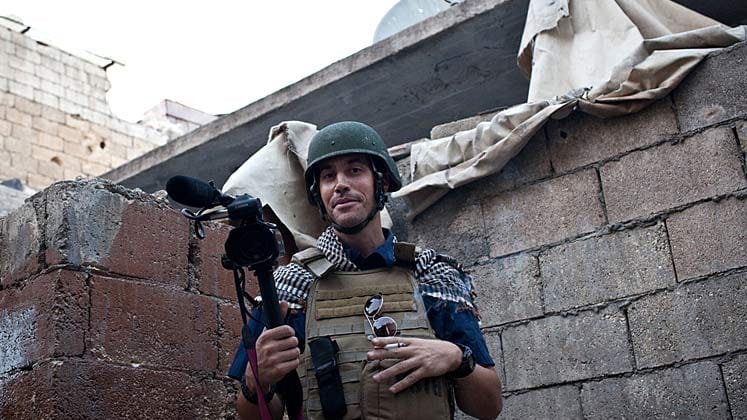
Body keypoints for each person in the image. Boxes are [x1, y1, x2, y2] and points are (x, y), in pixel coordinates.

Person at [229, 121, 502, 419]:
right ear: (319, 194)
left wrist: (456, 359)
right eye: (328, 176)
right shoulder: (289, 286)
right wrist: (258, 383)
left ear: (381, 183)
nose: (340, 184)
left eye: (354, 170)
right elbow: (250, 415)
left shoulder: (432, 275)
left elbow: (489, 407)